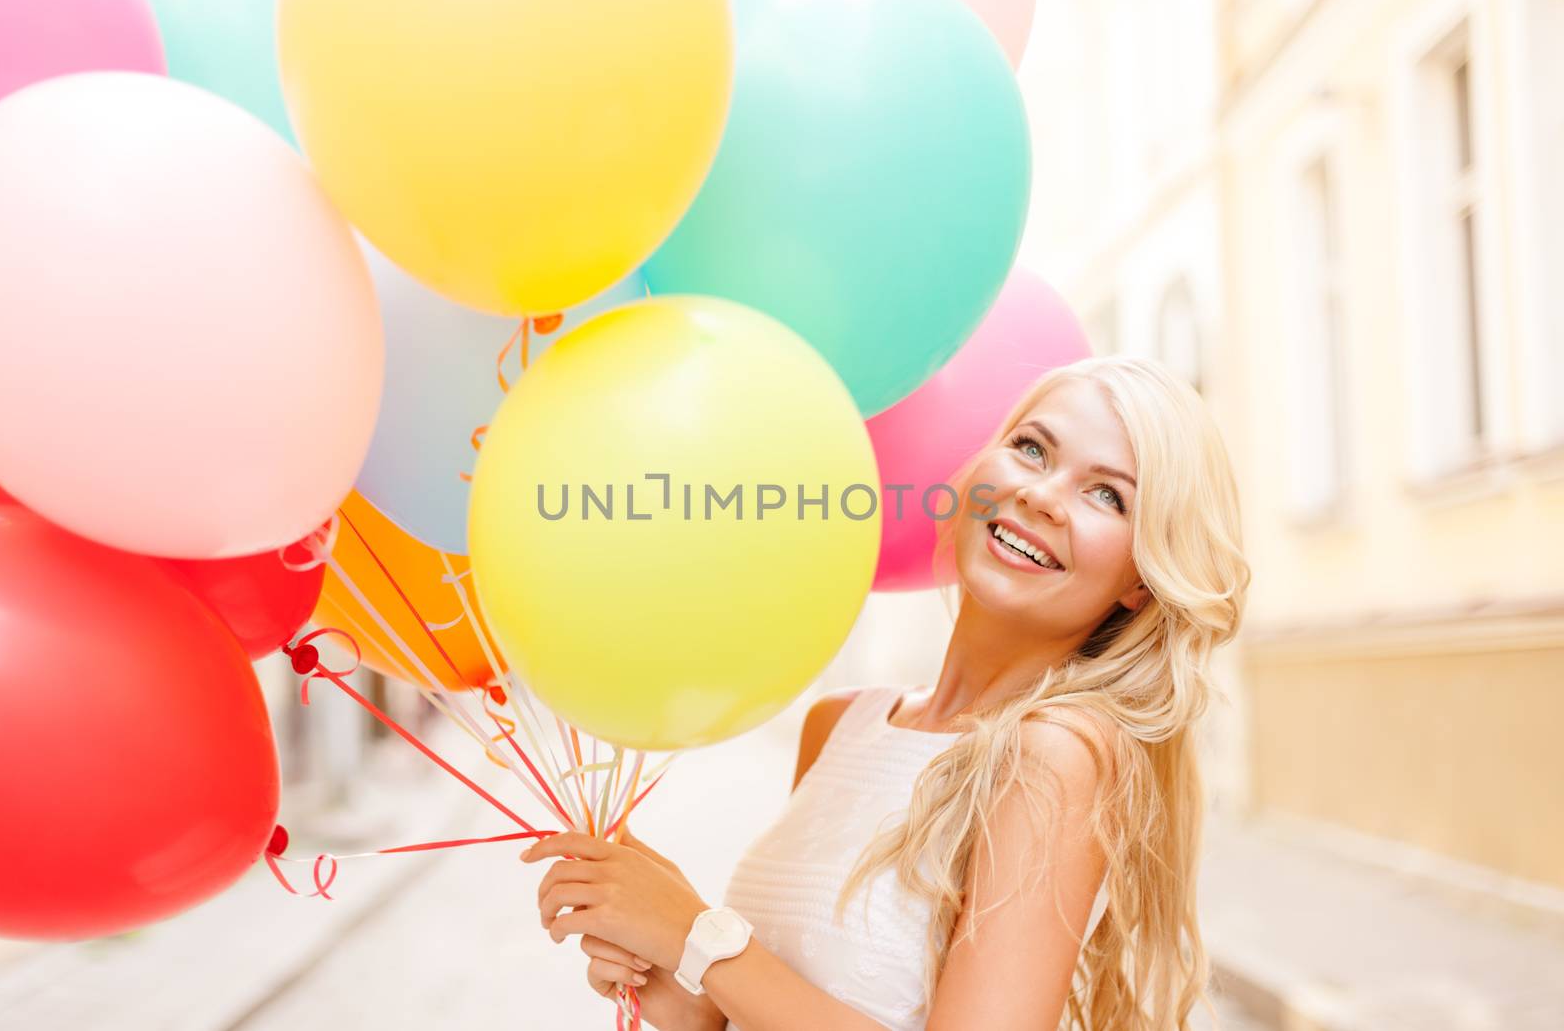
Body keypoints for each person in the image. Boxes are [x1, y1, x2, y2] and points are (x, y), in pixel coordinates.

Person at [521, 356, 1252, 1030]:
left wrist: (699, 935)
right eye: (1031, 448)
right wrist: (675, 975)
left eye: (1106, 495)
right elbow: (763, 1008)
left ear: (1138, 581)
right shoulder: (841, 723)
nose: (1042, 495)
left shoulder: (1053, 754)